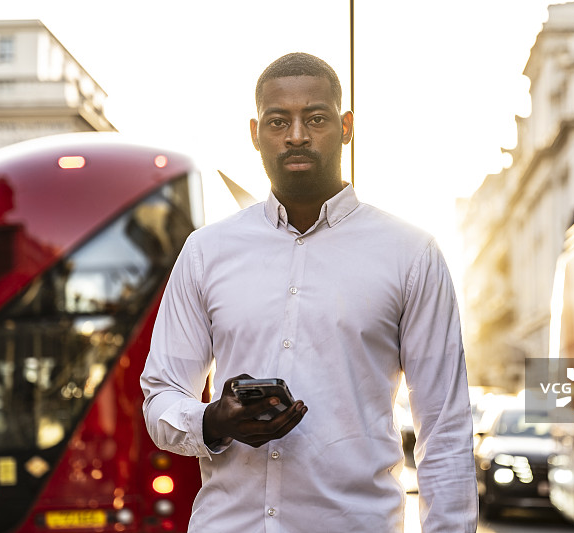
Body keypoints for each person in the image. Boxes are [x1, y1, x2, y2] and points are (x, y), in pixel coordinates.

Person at [141, 52, 478, 532]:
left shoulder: (411, 253)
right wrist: (215, 420)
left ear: (346, 127)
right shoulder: (205, 252)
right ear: (256, 134)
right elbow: (161, 397)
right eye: (279, 121)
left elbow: (444, 428)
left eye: (315, 118)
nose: (296, 135)